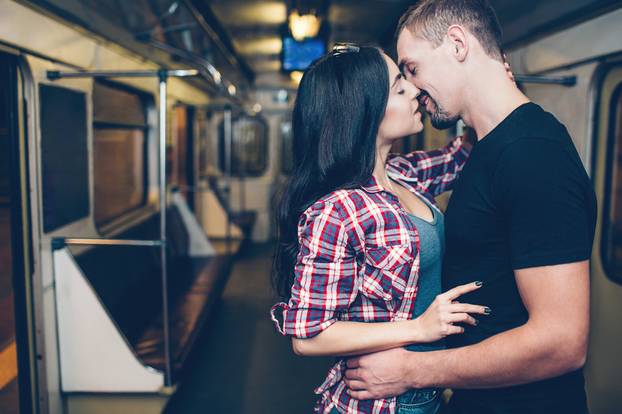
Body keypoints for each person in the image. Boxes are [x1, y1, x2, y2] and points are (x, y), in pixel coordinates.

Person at [343, 1, 597, 414]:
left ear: (458, 44)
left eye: (413, 68)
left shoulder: (532, 154)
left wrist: (414, 370)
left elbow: (561, 342)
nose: (413, 88)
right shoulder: (491, 146)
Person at [270, 44, 490, 414]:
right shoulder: (338, 209)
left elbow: (460, 155)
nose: (415, 93)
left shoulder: (403, 175)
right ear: (365, 112)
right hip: (377, 403)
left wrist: (481, 84)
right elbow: (307, 335)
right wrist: (418, 329)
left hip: (426, 393)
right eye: (400, 88)